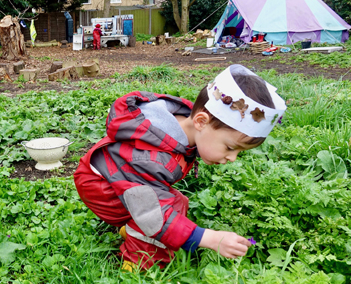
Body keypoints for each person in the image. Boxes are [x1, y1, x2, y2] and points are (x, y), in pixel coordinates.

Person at [73, 64, 286, 271]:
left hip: (116, 177)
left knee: (177, 201)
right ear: (202, 122)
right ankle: (137, 266)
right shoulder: (150, 159)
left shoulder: (183, 122)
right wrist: (209, 238)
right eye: (230, 147)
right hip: (102, 189)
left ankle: (135, 231)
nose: (232, 158)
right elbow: (157, 215)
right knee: (155, 218)